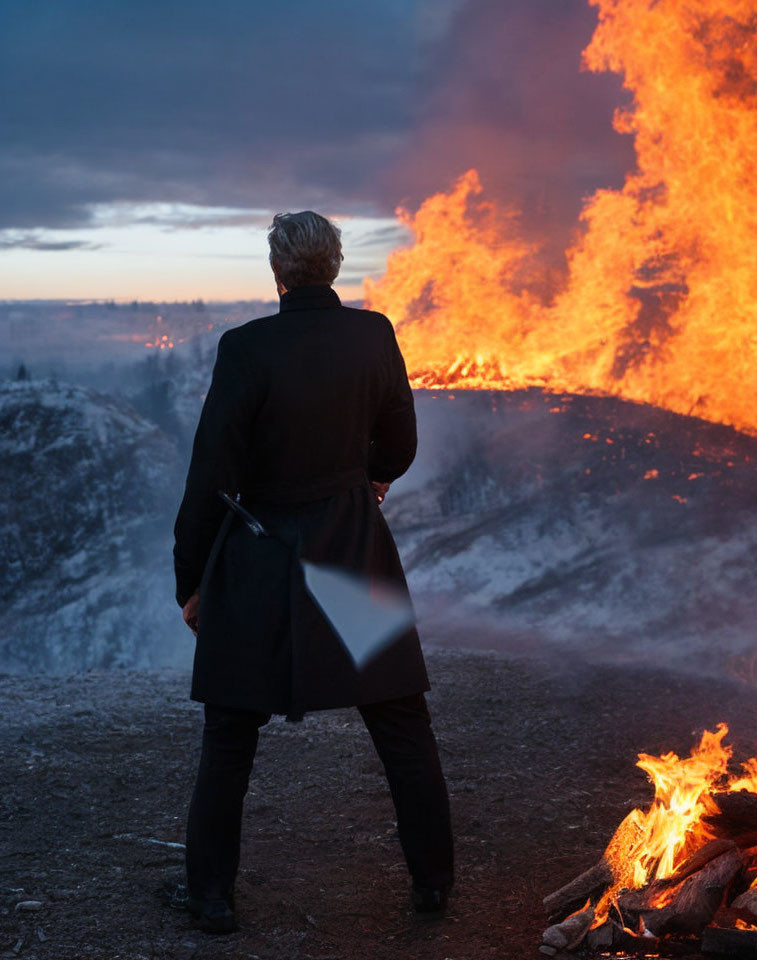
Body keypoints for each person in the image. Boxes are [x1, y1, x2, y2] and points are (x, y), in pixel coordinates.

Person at [169, 211, 454, 934]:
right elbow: (401, 442)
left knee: (231, 731)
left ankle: (210, 899)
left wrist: (191, 578)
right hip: (352, 550)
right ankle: (433, 885)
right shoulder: (373, 335)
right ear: (333, 265)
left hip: (262, 559)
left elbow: (212, 476)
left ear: (278, 271)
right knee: (400, 719)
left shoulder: (246, 348)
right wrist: (369, 480)